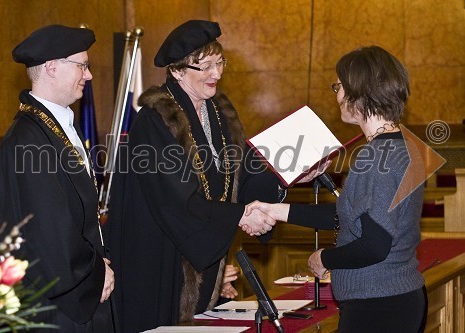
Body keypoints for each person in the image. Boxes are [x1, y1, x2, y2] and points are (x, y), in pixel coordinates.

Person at [105, 20, 319, 332]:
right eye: (204, 66)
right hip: (161, 258)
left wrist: (287, 173)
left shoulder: (219, 112)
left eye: (219, 63)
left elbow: (243, 173)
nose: (216, 74)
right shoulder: (153, 122)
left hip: (204, 253)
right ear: (178, 71)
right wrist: (240, 215)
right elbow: (175, 200)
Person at [245, 46, 428, 333]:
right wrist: (275, 211)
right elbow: (352, 215)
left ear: (360, 90)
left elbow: (375, 245)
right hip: (399, 296)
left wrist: (324, 258)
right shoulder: (407, 144)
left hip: (376, 303)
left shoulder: (374, 158)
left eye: (339, 86)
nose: (337, 95)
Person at [0, 25, 115, 332]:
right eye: (82, 65)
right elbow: (49, 234)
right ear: (51, 68)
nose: (88, 75)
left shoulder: (54, 128)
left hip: (76, 301)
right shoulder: (28, 140)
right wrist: (96, 275)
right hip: (60, 309)